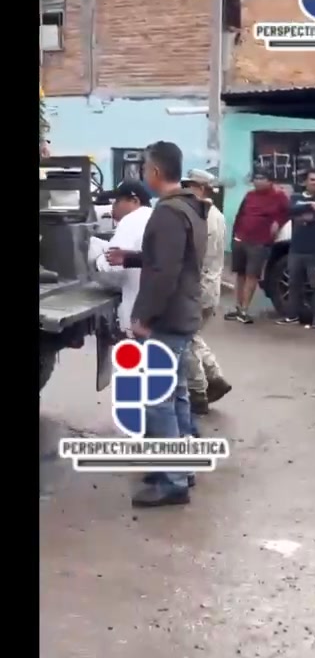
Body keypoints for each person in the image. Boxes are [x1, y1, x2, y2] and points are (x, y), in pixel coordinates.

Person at [106, 141, 208, 508]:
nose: (143, 174)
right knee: (176, 394)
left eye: (145, 168)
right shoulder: (191, 206)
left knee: (158, 399)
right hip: (182, 313)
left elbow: (166, 271)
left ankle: (173, 481)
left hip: (168, 317)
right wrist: (132, 258)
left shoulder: (167, 212)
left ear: (155, 172)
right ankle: (181, 467)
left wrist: (143, 317)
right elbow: (169, 258)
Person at [181, 169, 231, 415]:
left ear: (202, 188)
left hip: (198, 287)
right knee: (192, 336)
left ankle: (198, 392)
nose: (185, 190)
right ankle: (215, 376)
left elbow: (194, 257)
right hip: (210, 287)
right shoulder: (216, 214)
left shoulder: (200, 216)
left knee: (185, 339)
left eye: (189, 186)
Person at [225, 167, 289, 324]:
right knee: (240, 274)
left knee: (251, 275)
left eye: (262, 179)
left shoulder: (279, 197)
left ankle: (245, 310)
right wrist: (234, 237)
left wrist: (278, 222)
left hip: (259, 242)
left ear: (270, 181)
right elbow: (240, 215)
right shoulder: (249, 196)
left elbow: (288, 212)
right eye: (256, 179)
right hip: (241, 239)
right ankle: (238, 307)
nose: (258, 182)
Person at [88, 181, 153, 336]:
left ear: (134, 201)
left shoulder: (132, 219)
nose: (113, 206)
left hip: (140, 315)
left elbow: (111, 265)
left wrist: (94, 259)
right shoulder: (154, 216)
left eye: (117, 201)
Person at [277, 168, 315, 328]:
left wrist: (304, 212)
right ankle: (292, 316)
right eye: (312, 179)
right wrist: (310, 205)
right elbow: (290, 210)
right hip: (296, 250)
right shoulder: (296, 197)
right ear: (306, 181)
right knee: (293, 285)